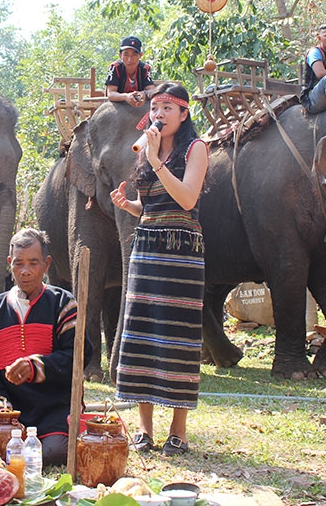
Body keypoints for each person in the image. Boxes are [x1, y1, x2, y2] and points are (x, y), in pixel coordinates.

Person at [109, 82, 208, 456]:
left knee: (178, 336)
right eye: (155, 108)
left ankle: (178, 432)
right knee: (142, 333)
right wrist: (129, 205)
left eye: (169, 108)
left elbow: (185, 198)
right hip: (147, 247)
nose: (160, 114)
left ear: (184, 114)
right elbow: (152, 207)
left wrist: (154, 161)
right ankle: (144, 430)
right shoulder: (148, 150)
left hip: (182, 252)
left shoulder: (196, 148)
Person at [0, 228, 92, 466]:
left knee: (55, 452)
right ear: (10, 263)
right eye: (18, 264)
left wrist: (37, 365)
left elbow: (78, 357)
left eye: (33, 263)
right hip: (12, 411)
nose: (25, 271)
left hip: (55, 408)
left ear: (46, 264)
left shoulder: (63, 304)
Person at [105, 36, 155, 107]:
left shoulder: (144, 69)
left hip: (139, 106)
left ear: (140, 55)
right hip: (118, 106)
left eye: (134, 54)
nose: (130, 59)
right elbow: (111, 93)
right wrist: (126, 96)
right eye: (126, 54)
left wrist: (144, 93)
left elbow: (152, 90)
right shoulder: (115, 68)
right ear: (120, 56)